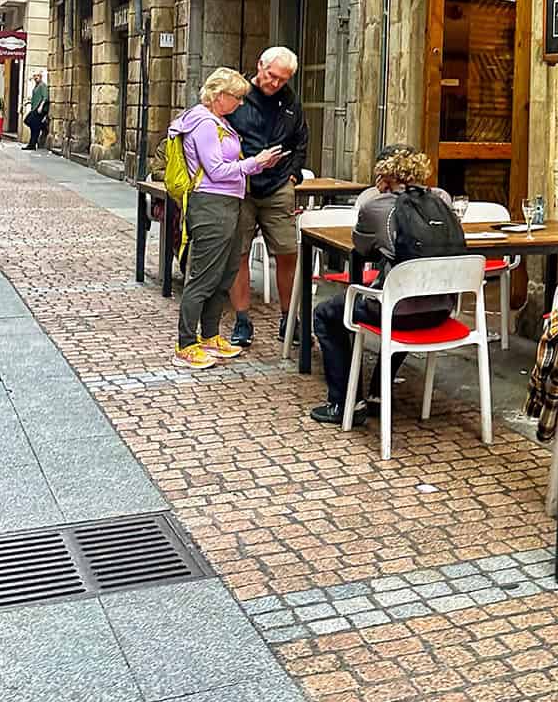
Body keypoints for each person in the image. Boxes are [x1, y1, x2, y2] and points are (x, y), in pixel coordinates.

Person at [310, 147, 454, 427]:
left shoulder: (376, 207)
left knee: (326, 314)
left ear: (383, 175)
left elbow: (362, 246)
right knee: (408, 297)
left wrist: (378, 196)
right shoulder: (442, 200)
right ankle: (378, 391)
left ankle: (346, 402)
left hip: (397, 312)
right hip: (441, 308)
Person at [168, 68, 286, 370]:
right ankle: (186, 343)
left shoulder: (218, 121)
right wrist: (252, 163)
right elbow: (216, 170)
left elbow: (228, 167)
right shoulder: (203, 122)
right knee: (204, 275)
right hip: (211, 204)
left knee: (224, 273)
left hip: (229, 202)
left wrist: (258, 165)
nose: (240, 104)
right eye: (237, 97)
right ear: (219, 96)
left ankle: (209, 335)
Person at [227, 46, 310, 347]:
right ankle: (242, 321)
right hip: (243, 185)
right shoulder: (238, 95)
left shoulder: (290, 102)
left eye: (282, 80)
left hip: (278, 187)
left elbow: (301, 139)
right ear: (259, 65)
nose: (275, 84)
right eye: (272, 76)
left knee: (288, 253)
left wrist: (293, 174)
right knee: (239, 254)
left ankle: (289, 319)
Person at [23, 71, 49, 150]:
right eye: (34, 76)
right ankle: (32, 144)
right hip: (34, 108)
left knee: (30, 122)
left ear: (40, 76)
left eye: (37, 76)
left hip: (39, 109)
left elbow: (45, 97)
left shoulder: (43, 85)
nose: (36, 77)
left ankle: (32, 144)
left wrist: (41, 106)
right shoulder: (36, 86)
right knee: (30, 123)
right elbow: (36, 97)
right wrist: (28, 101)